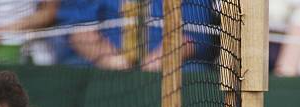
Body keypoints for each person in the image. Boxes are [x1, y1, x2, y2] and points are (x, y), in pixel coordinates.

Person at [55, 0, 215, 70]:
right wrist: (111, 60)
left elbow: (196, 34)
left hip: (166, 63)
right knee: (71, 67)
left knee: (194, 69)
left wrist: (155, 62)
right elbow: (77, 28)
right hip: (103, 62)